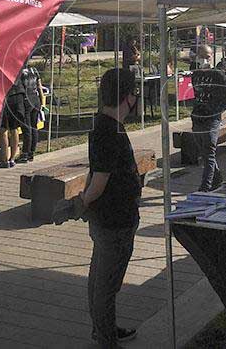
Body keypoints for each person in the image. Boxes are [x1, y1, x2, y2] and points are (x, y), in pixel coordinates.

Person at [80, 68, 141, 347]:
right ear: (127, 97)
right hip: (114, 220)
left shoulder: (107, 126)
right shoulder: (107, 131)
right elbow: (99, 181)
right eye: (135, 93)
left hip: (113, 217)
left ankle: (104, 328)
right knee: (106, 284)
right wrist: (81, 202)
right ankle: (105, 338)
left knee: (102, 279)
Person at [191, 44, 226, 191]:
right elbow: (196, 95)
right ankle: (218, 179)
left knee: (209, 153)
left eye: (207, 56)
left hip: (211, 120)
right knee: (205, 153)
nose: (204, 60)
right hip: (197, 118)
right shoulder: (196, 74)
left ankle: (205, 188)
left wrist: (212, 112)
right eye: (201, 57)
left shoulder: (218, 75)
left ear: (212, 56)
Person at [0, 64, 44, 167]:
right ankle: (19, 156)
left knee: (5, 129)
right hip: (27, 99)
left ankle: (9, 159)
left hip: (14, 98)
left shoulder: (5, 67)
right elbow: (39, 86)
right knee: (19, 129)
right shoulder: (31, 69)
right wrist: (42, 102)